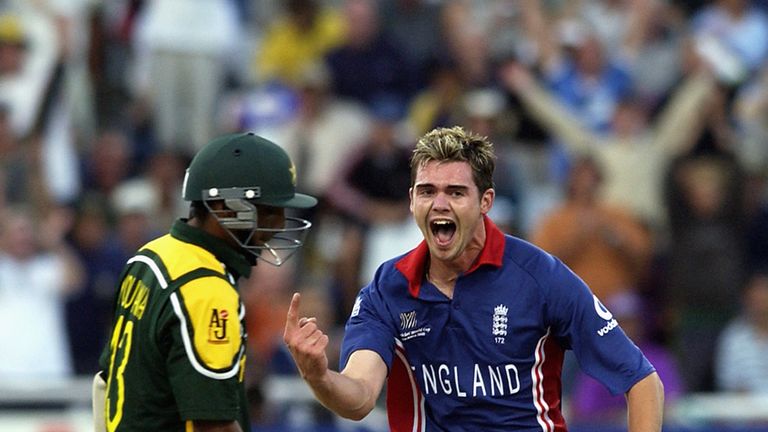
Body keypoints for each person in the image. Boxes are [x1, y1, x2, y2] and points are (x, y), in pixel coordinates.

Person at [284, 126, 664, 431]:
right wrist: (318, 376)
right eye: (427, 191)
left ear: (485, 202)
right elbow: (359, 396)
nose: (440, 204)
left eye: (456, 192)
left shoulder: (539, 276)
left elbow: (643, 381)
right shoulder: (388, 287)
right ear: (412, 199)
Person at [93, 132, 317, 432]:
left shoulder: (151, 255)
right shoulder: (206, 289)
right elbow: (213, 425)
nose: (277, 225)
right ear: (225, 208)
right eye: (268, 210)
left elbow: (104, 381)